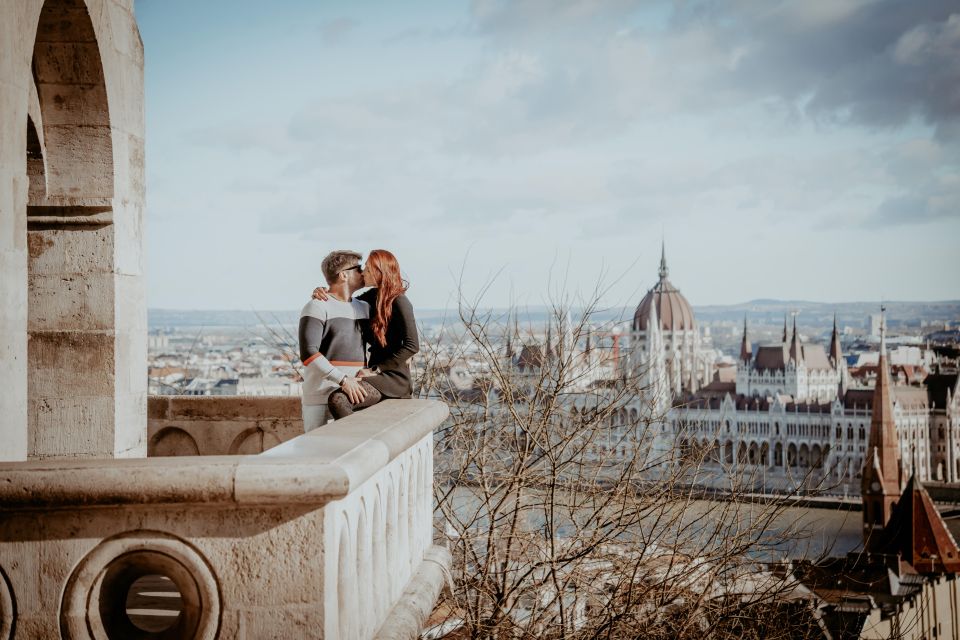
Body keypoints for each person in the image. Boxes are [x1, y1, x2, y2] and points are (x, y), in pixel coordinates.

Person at [318, 249, 419, 418]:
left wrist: (375, 369)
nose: (363, 272)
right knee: (341, 396)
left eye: (367, 268)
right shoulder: (372, 297)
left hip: (393, 378)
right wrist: (322, 292)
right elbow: (343, 301)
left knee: (339, 399)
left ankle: (353, 443)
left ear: (379, 271)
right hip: (374, 375)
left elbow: (412, 345)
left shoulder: (400, 301)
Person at [298, 250, 371, 432]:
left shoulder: (365, 308)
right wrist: (343, 380)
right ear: (343, 275)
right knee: (318, 453)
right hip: (320, 397)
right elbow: (308, 354)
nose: (363, 272)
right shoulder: (316, 306)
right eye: (358, 268)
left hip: (356, 396)